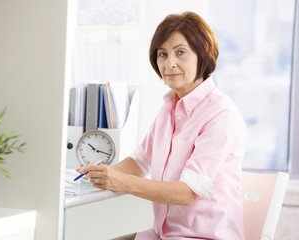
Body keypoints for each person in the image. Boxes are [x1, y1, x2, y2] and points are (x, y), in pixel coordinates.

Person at [77, 11, 246, 240]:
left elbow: (187, 192)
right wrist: (98, 174)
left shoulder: (220, 114)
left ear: (203, 54)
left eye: (180, 53)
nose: (169, 64)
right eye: (162, 54)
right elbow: (139, 161)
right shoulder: (169, 108)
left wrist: (120, 182)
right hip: (161, 235)